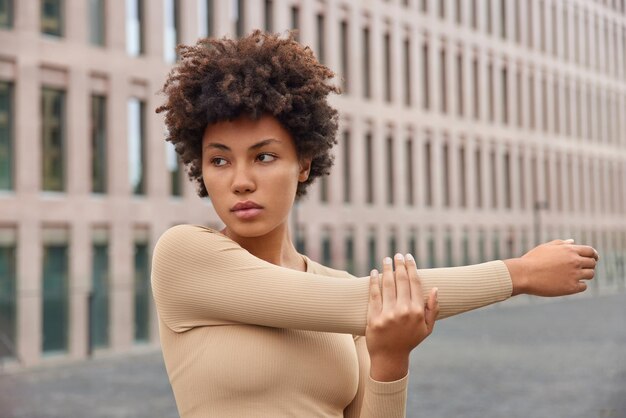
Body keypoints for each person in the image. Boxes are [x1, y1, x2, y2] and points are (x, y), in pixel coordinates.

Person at [152, 31, 599, 418]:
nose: (241, 182)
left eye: (264, 156)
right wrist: (519, 274)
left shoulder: (339, 288)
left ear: (303, 163)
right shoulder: (185, 257)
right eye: (220, 160)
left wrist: (391, 359)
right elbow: (364, 301)